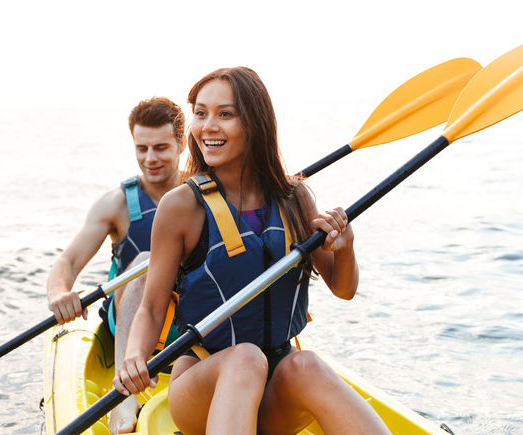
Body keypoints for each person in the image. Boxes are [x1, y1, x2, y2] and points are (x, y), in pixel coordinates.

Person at [113, 68, 391, 435]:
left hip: (276, 387)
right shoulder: (180, 205)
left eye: (225, 114)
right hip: (201, 384)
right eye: (200, 113)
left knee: (308, 364)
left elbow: (344, 289)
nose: (208, 126)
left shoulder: (294, 199)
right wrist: (134, 355)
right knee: (245, 358)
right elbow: (150, 307)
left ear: (255, 123)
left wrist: (346, 246)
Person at [46, 96, 186, 434]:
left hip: (183, 317)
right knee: (144, 261)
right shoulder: (116, 204)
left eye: (161, 148)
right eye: (142, 148)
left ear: (182, 143)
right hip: (129, 313)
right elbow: (67, 261)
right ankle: (125, 391)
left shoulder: (201, 192)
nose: (149, 159)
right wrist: (59, 293)